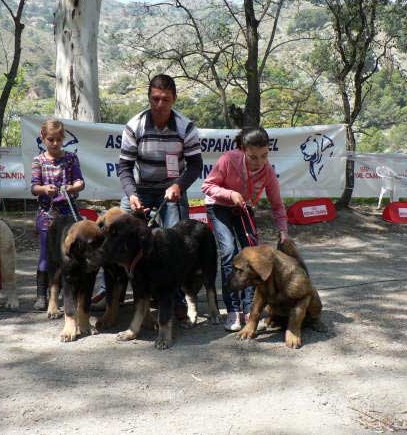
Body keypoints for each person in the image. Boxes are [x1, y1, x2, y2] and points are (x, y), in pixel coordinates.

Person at [116, 74, 203, 319]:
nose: (160, 104)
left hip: (171, 189)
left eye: (165, 99)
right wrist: (132, 194)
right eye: (155, 98)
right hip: (141, 188)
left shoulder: (186, 127)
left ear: (174, 99)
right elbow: (124, 167)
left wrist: (179, 185)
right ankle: (111, 293)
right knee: (116, 235)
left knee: (176, 240)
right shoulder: (134, 126)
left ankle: (177, 298)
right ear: (149, 98)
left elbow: (195, 166)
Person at [201, 127, 289, 332]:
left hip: (243, 207)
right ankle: (232, 309)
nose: (259, 162)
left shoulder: (267, 171)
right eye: (253, 157)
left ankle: (250, 308)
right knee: (229, 251)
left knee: (252, 253)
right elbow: (207, 186)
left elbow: (277, 204)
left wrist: (283, 231)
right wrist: (230, 194)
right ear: (242, 150)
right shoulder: (228, 159)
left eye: (264, 155)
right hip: (218, 205)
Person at [30, 118, 85, 311]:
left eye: (58, 140)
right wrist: (44, 189)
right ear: (43, 138)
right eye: (51, 139)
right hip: (47, 214)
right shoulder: (38, 160)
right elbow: (34, 187)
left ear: (63, 139)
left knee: (71, 253)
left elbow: (80, 182)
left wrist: (71, 187)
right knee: (47, 254)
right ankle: (41, 295)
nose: (55, 144)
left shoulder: (71, 158)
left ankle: (71, 292)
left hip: (69, 213)